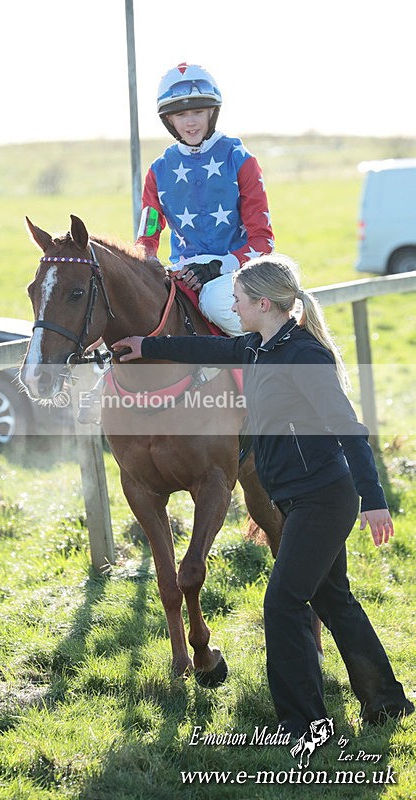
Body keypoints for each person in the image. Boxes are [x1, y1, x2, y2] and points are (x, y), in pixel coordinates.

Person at [112, 253, 414, 737]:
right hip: (297, 498)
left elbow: (349, 429)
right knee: (336, 601)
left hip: (323, 497)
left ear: (265, 303)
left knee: (283, 603)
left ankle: (302, 724)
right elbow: (202, 350)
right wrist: (144, 344)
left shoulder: (304, 355)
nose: (231, 306)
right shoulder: (255, 347)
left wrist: (373, 498)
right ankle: (386, 701)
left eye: (238, 300)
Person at [136, 62, 274, 337]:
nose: (191, 121)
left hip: (240, 271)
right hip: (184, 273)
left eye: (198, 111)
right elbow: (147, 236)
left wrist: (216, 266)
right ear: (169, 121)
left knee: (214, 301)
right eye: (181, 114)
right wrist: (143, 266)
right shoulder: (158, 171)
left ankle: (271, 363)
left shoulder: (240, 159)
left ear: (212, 111)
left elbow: (263, 242)